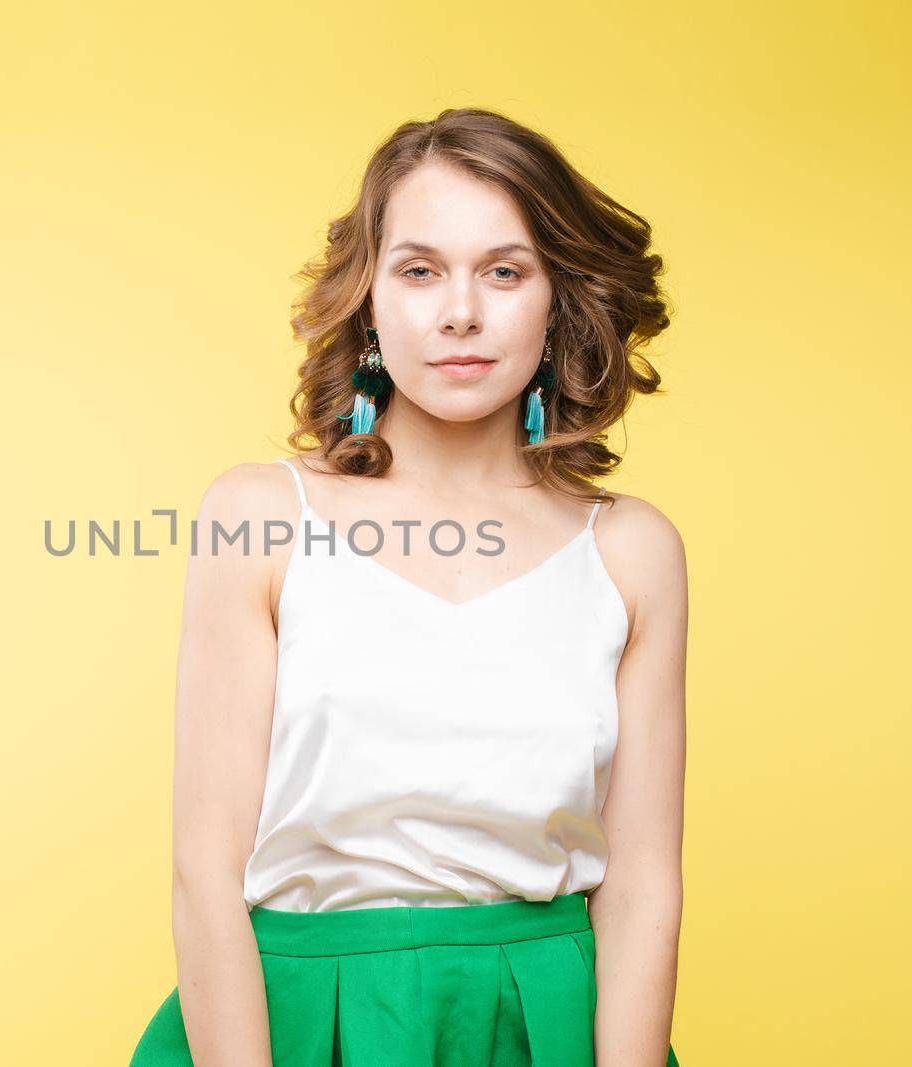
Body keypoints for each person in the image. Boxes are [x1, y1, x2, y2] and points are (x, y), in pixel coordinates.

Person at [130, 107, 686, 1066]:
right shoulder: (259, 518)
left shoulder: (631, 550)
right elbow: (203, 874)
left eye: (504, 271)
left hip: (541, 1028)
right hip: (298, 1026)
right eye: (420, 270)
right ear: (370, 299)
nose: (459, 310)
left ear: (558, 299)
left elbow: (641, 884)